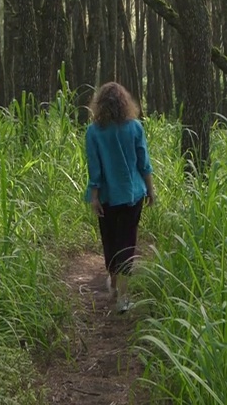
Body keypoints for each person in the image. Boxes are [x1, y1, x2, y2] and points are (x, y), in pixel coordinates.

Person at [84, 82, 154, 313]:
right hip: (133, 194)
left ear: (100, 104)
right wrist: (150, 190)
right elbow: (144, 163)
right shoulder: (134, 127)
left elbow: (94, 168)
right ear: (126, 103)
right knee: (127, 241)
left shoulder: (94, 131)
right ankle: (122, 296)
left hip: (107, 196)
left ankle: (114, 285)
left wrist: (94, 197)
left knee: (110, 239)